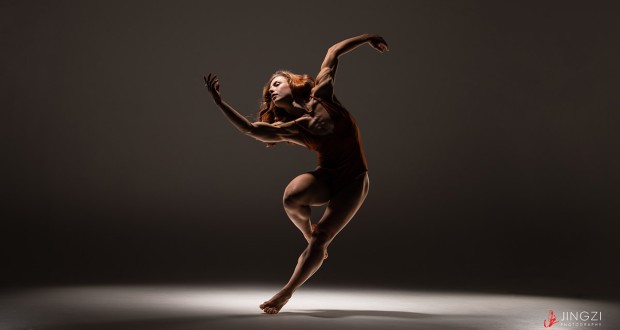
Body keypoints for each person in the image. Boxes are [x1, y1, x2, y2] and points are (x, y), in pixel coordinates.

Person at [204, 33, 389, 314]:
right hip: (327, 176)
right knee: (292, 196)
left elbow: (334, 51)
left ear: (293, 83)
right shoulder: (293, 128)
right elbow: (250, 129)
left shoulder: (323, 94)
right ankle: (311, 239)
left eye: (276, 84)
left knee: (322, 237)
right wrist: (220, 104)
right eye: (269, 92)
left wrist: (369, 38)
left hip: (353, 180)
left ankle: (286, 291)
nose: (271, 91)